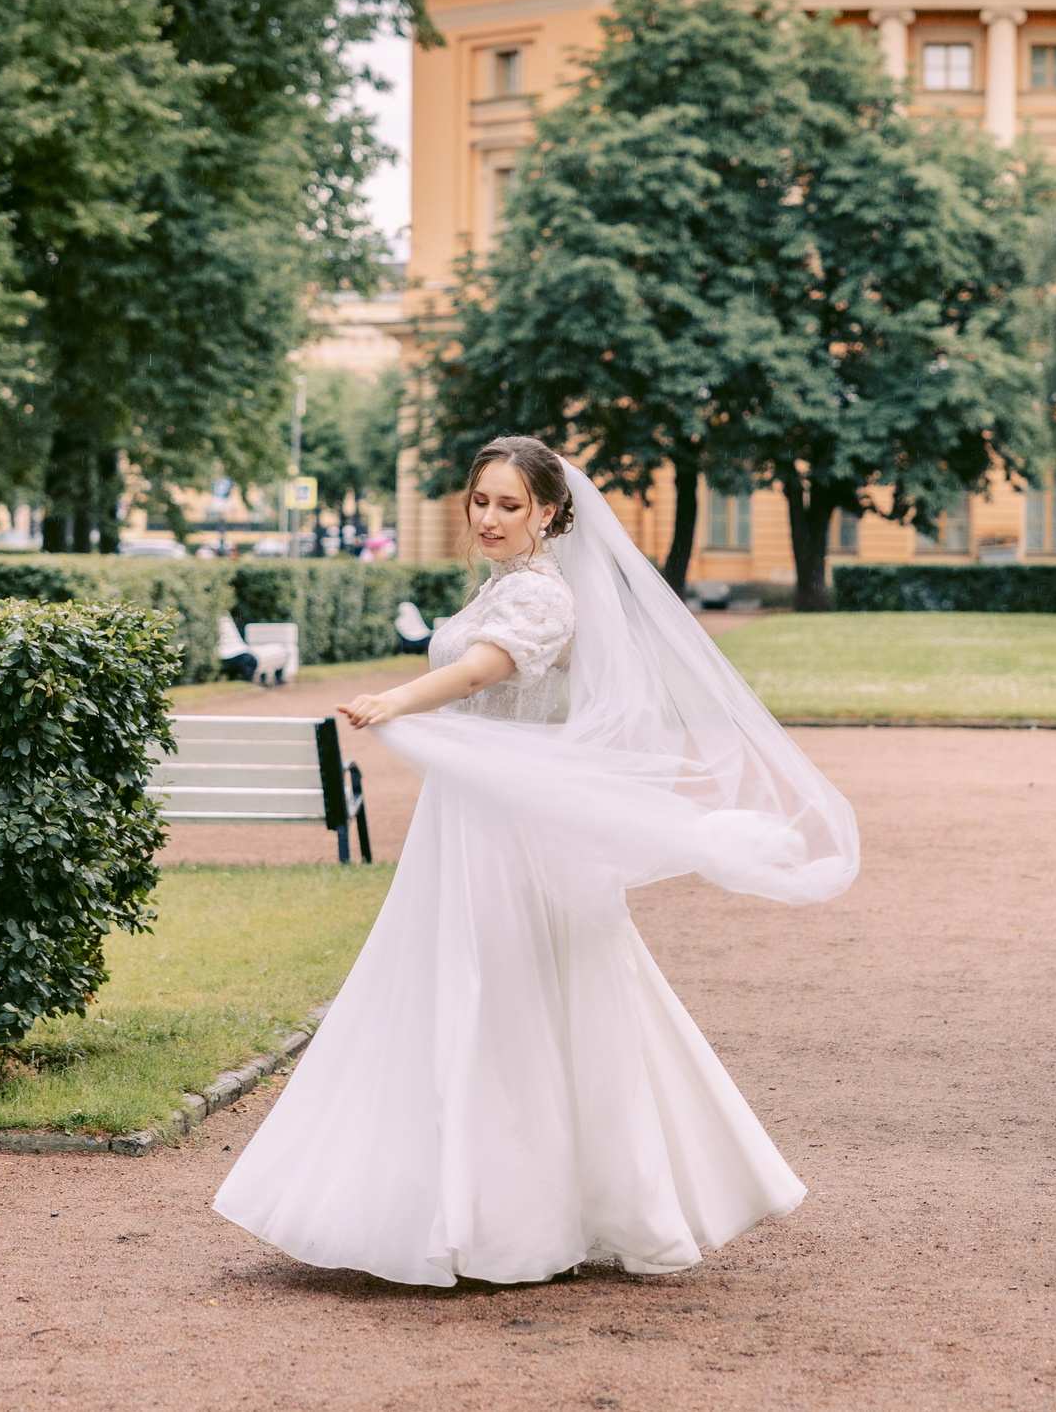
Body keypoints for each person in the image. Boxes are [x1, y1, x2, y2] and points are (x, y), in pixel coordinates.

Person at [212, 435, 859, 1287]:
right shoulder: (500, 588)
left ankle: (518, 1215)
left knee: (525, 991)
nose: (489, 518)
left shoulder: (544, 601)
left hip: (512, 827)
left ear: (550, 514)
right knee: (459, 985)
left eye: (509, 505)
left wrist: (397, 699)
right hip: (468, 816)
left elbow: (490, 669)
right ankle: (448, 1205)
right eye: (480, 501)